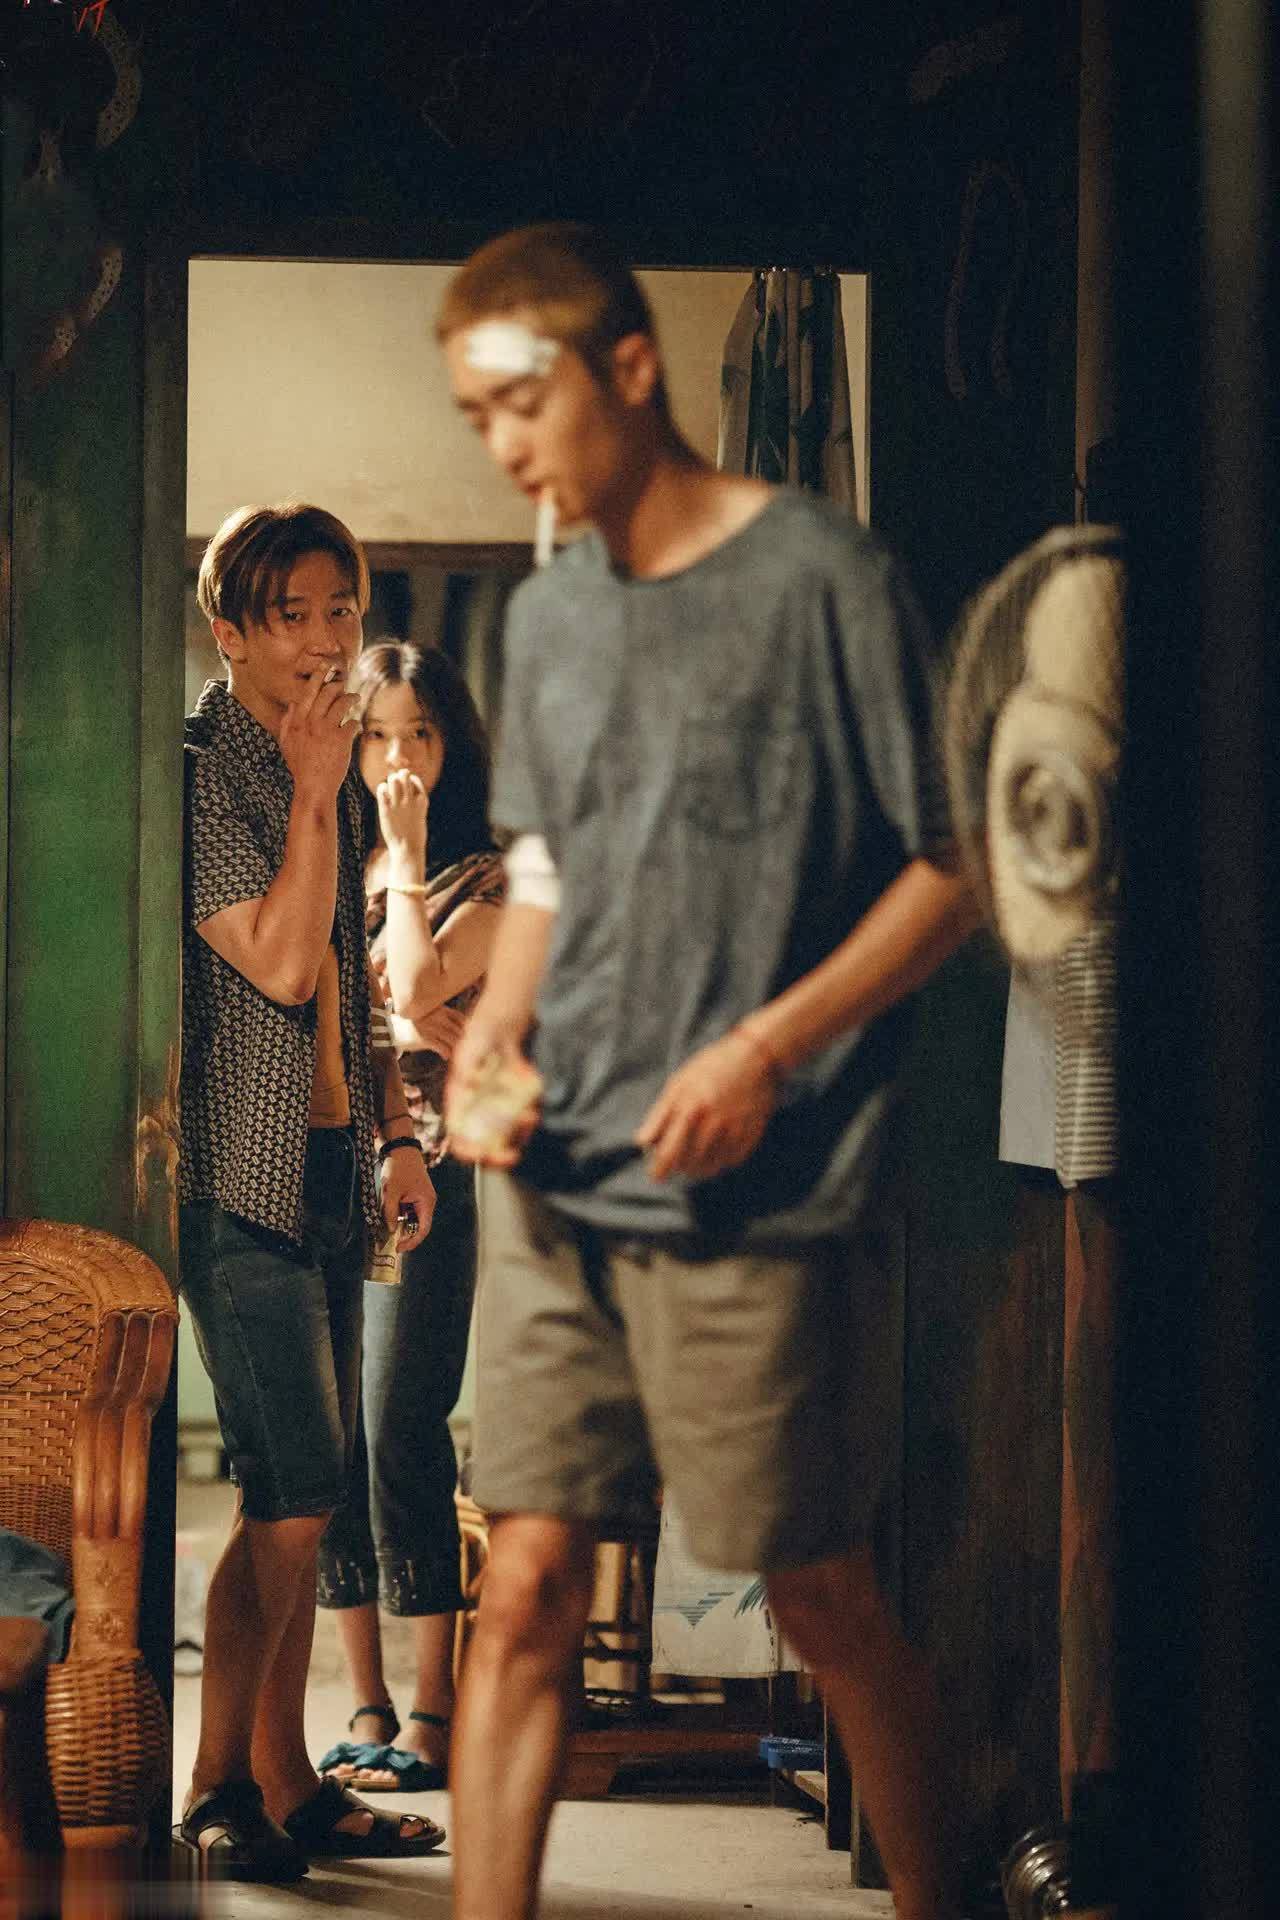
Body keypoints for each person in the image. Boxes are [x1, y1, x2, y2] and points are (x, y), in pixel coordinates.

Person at [437, 226, 981, 1920]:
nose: (504, 445)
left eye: (523, 401)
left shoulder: (822, 576)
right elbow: (544, 870)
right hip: (556, 1175)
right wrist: (492, 1034)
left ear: (631, 369)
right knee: (524, 1583)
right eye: (475, 417)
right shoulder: (545, 619)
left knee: (816, 1592)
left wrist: (762, 1045)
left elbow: (953, 865)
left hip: (755, 1180)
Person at [177, 504, 443, 1880]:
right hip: (240, 1176)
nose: (328, 639)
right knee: (288, 1489)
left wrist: (396, 1130)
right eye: (295, 615)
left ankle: (285, 1780)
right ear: (230, 631)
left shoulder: (318, 758)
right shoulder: (207, 768)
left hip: (336, 1166)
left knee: (312, 1496)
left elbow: (353, 974)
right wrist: (306, 792)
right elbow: (281, 962)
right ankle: (218, 1782)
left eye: (343, 609)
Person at [314, 641, 504, 1792]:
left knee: (398, 1421)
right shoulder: (332, 857)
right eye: (377, 733)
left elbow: (415, 988)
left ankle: (433, 1704)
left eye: (418, 733)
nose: (396, 756)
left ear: (451, 745)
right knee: (331, 1432)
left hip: (436, 1171)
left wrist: (406, 862)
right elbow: (346, 1006)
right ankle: (367, 1702)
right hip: (335, 1163)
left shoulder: (483, 875)